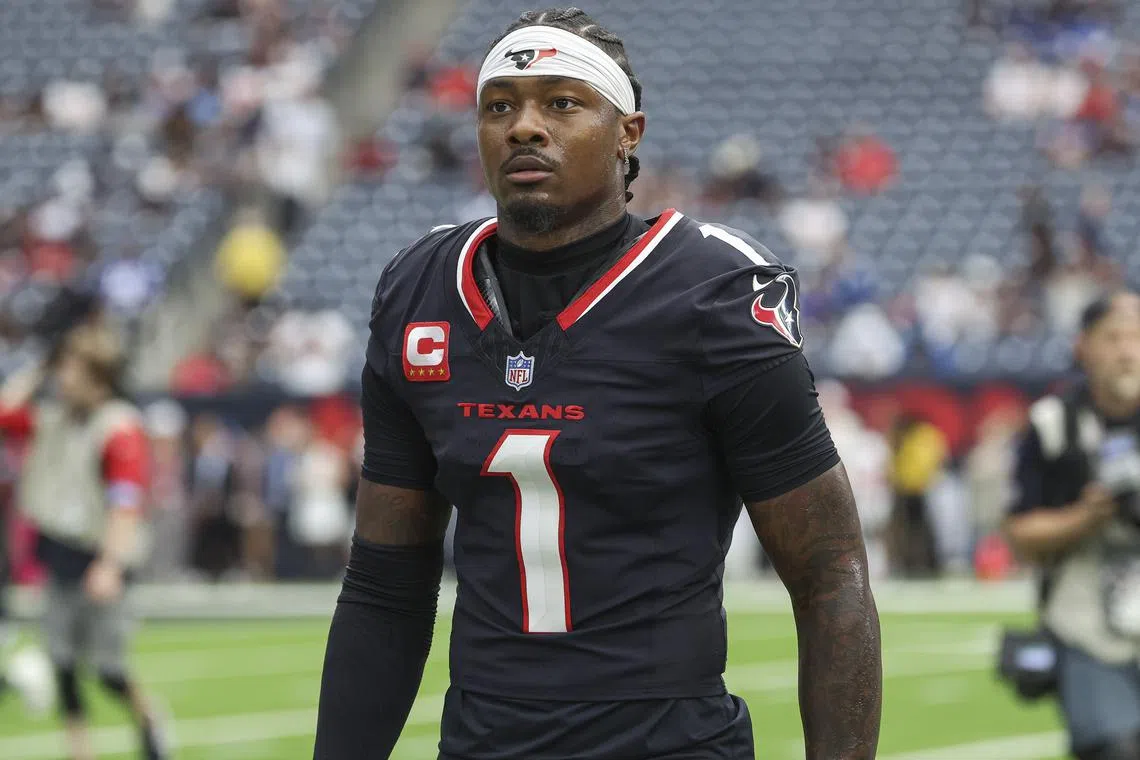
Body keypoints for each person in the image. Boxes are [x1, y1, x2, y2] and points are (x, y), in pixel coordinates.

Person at [313, 7, 882, 760]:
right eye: (500, 106)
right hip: (483, 741)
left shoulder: (708, 291)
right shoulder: (420, 289)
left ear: (628, 134)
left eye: (562, 102)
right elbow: (387, 582)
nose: (524, 126)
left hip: (667, 741)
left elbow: (828, 574)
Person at [0, 324, 169, 760]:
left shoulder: (119, 427)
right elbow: (4, 411)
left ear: (99, 377)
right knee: (62, 662)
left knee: (109, 670)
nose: (64, 378)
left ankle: (149, 718)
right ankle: (80, 752)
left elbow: (125, 502)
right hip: (59, 549)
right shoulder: (53, 417)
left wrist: (110, 563)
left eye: (73, 369)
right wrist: (41, 364)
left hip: (101, 555)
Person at [1005, 292, 1140, 760]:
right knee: (1114, 750)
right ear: (1083, 346)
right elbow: (1019, 531)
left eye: (1137, 338)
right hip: (1086, 623)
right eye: (1114, 338)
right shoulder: (1054, 423)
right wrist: (1087, 515)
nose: (1128, 351)